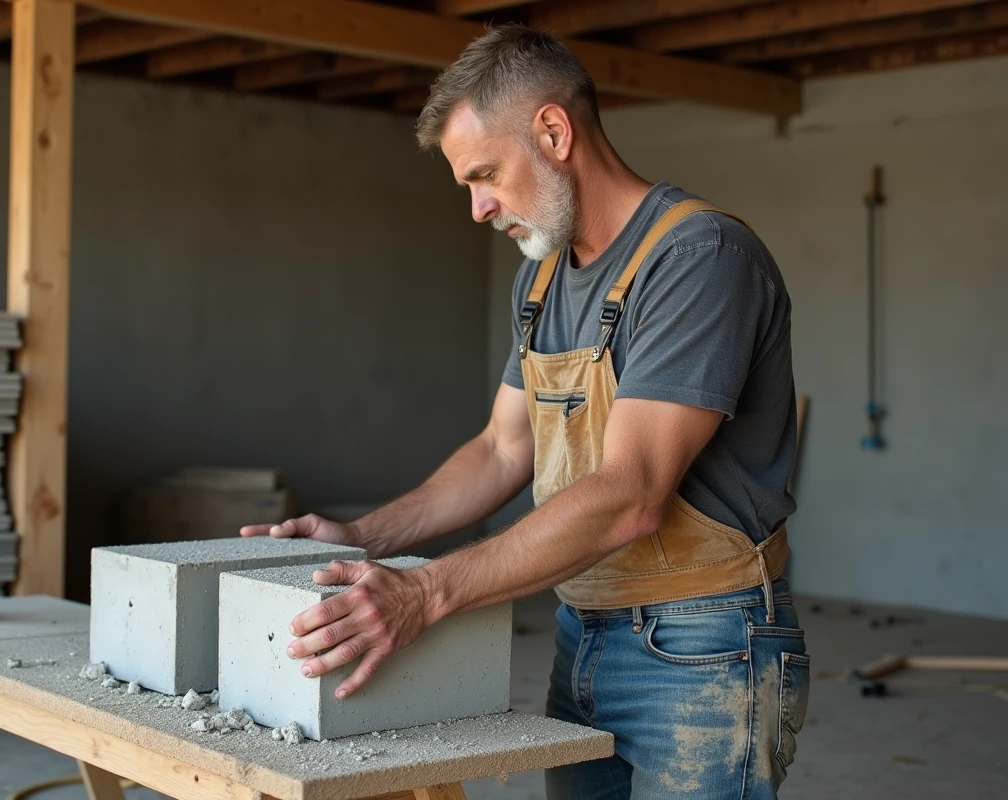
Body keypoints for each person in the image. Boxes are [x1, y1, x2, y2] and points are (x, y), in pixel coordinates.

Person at [241, 24, 809, 800]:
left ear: (553, 130)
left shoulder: (699, 260)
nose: (477, 209)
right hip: (584, 630)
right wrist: (365, 537)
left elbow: (632, 494)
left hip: (704, 647)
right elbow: (501, 450)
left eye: (485, 175)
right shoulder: (540, 282)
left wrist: (426, 592)